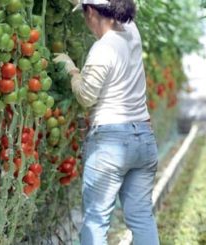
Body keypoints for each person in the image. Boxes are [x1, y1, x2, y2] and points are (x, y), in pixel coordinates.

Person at [53, 0, 160, 244]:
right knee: (141, 216)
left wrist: (71, 69)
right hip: (143, 138)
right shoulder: (131, 31)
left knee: (96, 219)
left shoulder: (102, 49)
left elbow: (86, 97)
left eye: (83, 12)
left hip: (111, 143)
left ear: (90, 12)